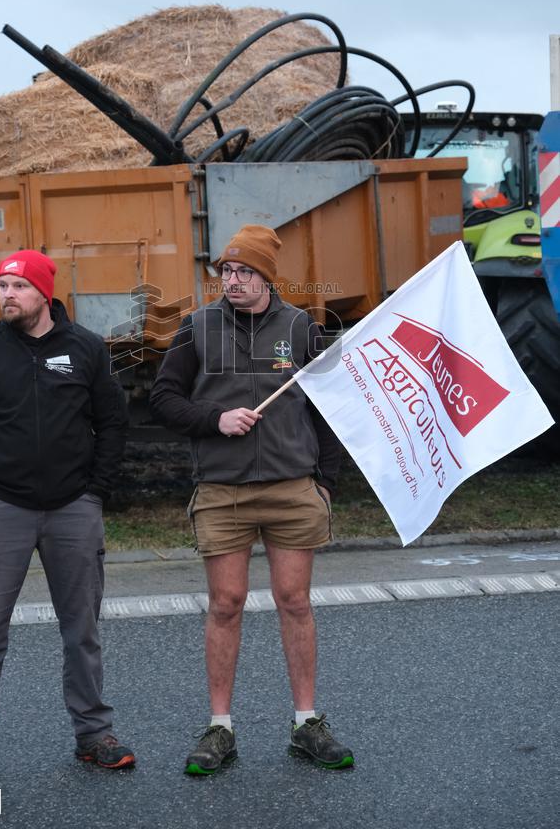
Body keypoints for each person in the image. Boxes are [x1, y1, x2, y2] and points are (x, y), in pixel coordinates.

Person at [149, 224, 354, 775]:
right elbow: (162, 398)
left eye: (244, 272)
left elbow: (327, 408)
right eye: (226, 271)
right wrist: (214, 420)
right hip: (222, 491)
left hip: (293, 488)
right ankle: (220, 728)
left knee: (295, 601)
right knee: (226, 604)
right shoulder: (196, 327)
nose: (232, 280)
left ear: (267, 277)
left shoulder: (301, 329)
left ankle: (307, 722)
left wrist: (324, 482)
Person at [0, 249, 133, 781]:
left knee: (82, 630)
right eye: (1, 286)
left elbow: (113, 423)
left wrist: (96, 493)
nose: (6, 296)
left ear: (44, 292)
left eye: (17, 287)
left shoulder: (86, 349)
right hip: (1, 509)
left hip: (73, 509)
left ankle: (94, 734)